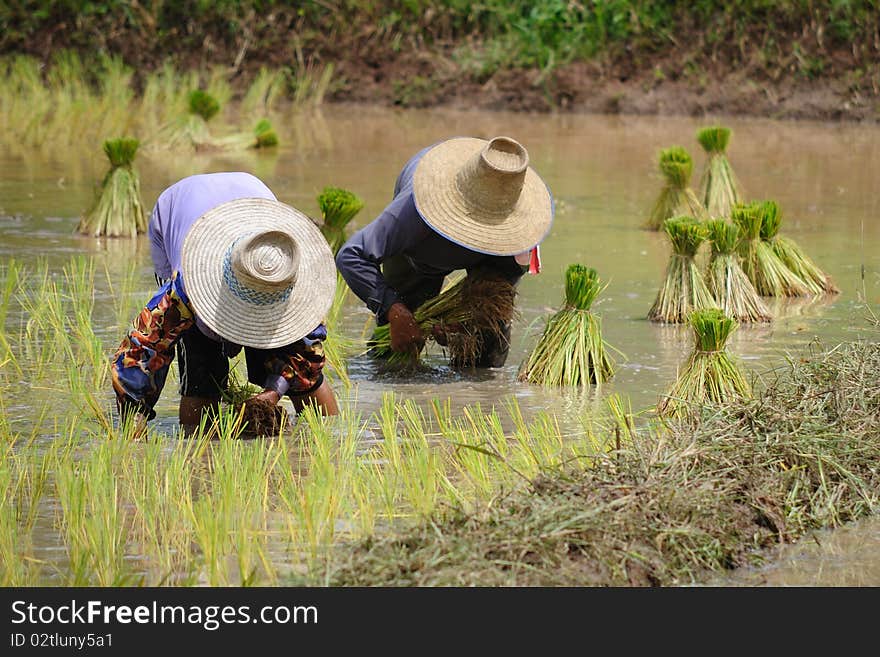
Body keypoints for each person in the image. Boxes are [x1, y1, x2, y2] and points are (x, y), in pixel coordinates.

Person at [111, 172, 339, 437]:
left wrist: (273, 392)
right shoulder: (187, 289)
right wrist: (132, 430)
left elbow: (308, 356)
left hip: (253, 198)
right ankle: (201, 458)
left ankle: (332, 439)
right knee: (201, 371)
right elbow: (140, 352)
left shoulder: (289, 271)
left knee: (301, 374)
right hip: (179, 206)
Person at [335, 135, 553, 366]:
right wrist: (394, 310)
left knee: (488, 342)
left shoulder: (521, 231)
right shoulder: (415, 206)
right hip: (420, 253)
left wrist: (464, 321)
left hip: (485, 262)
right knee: (398, 345)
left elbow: (501, 290)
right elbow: (351, 255)